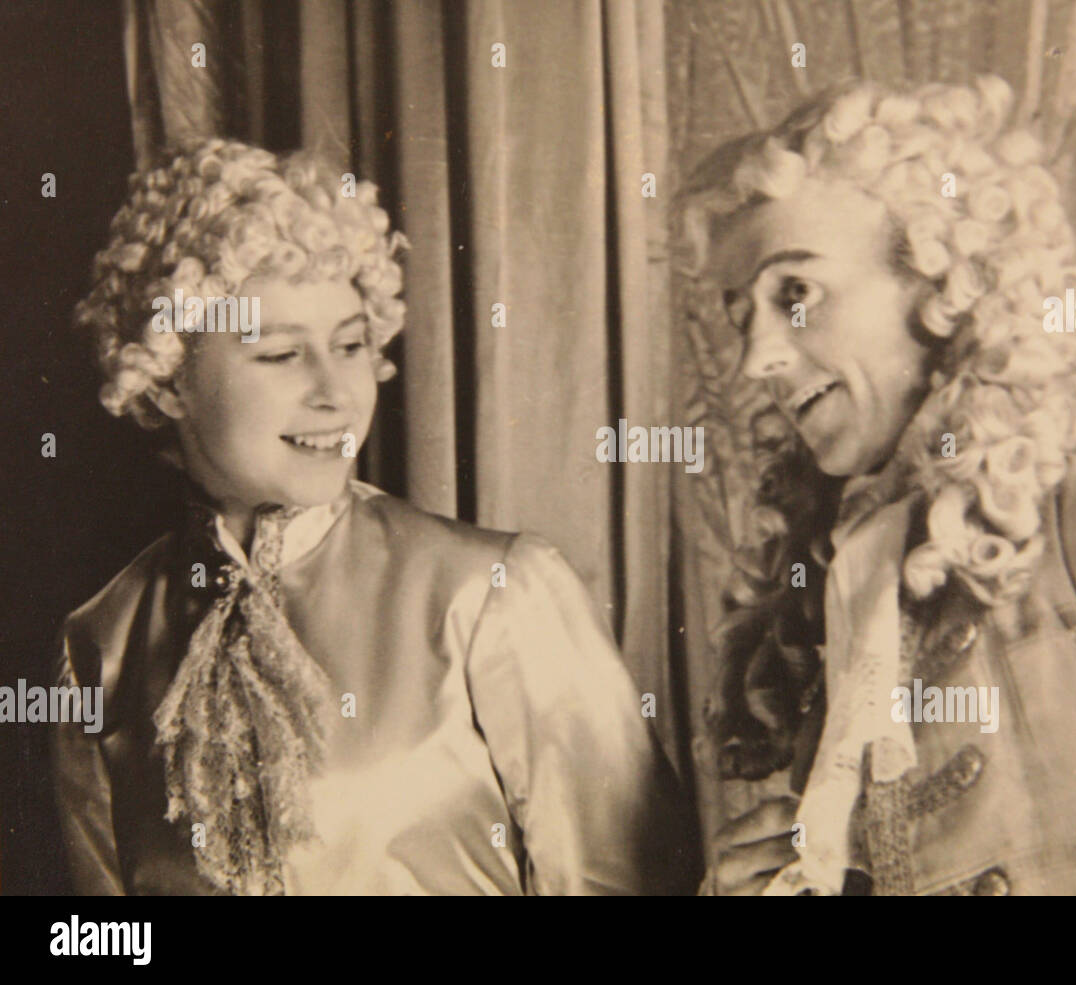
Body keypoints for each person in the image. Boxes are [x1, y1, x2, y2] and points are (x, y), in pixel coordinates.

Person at [680, 76, 1076, 895]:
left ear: (946, 287)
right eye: (741, 315)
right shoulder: (850, 571)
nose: (757, 357)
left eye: (796, 293)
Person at [55, 137, 697, 895]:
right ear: (167, 383)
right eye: (281, 355)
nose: (336, 391)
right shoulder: (99, 643)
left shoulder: (494, 593)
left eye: (352, 344)